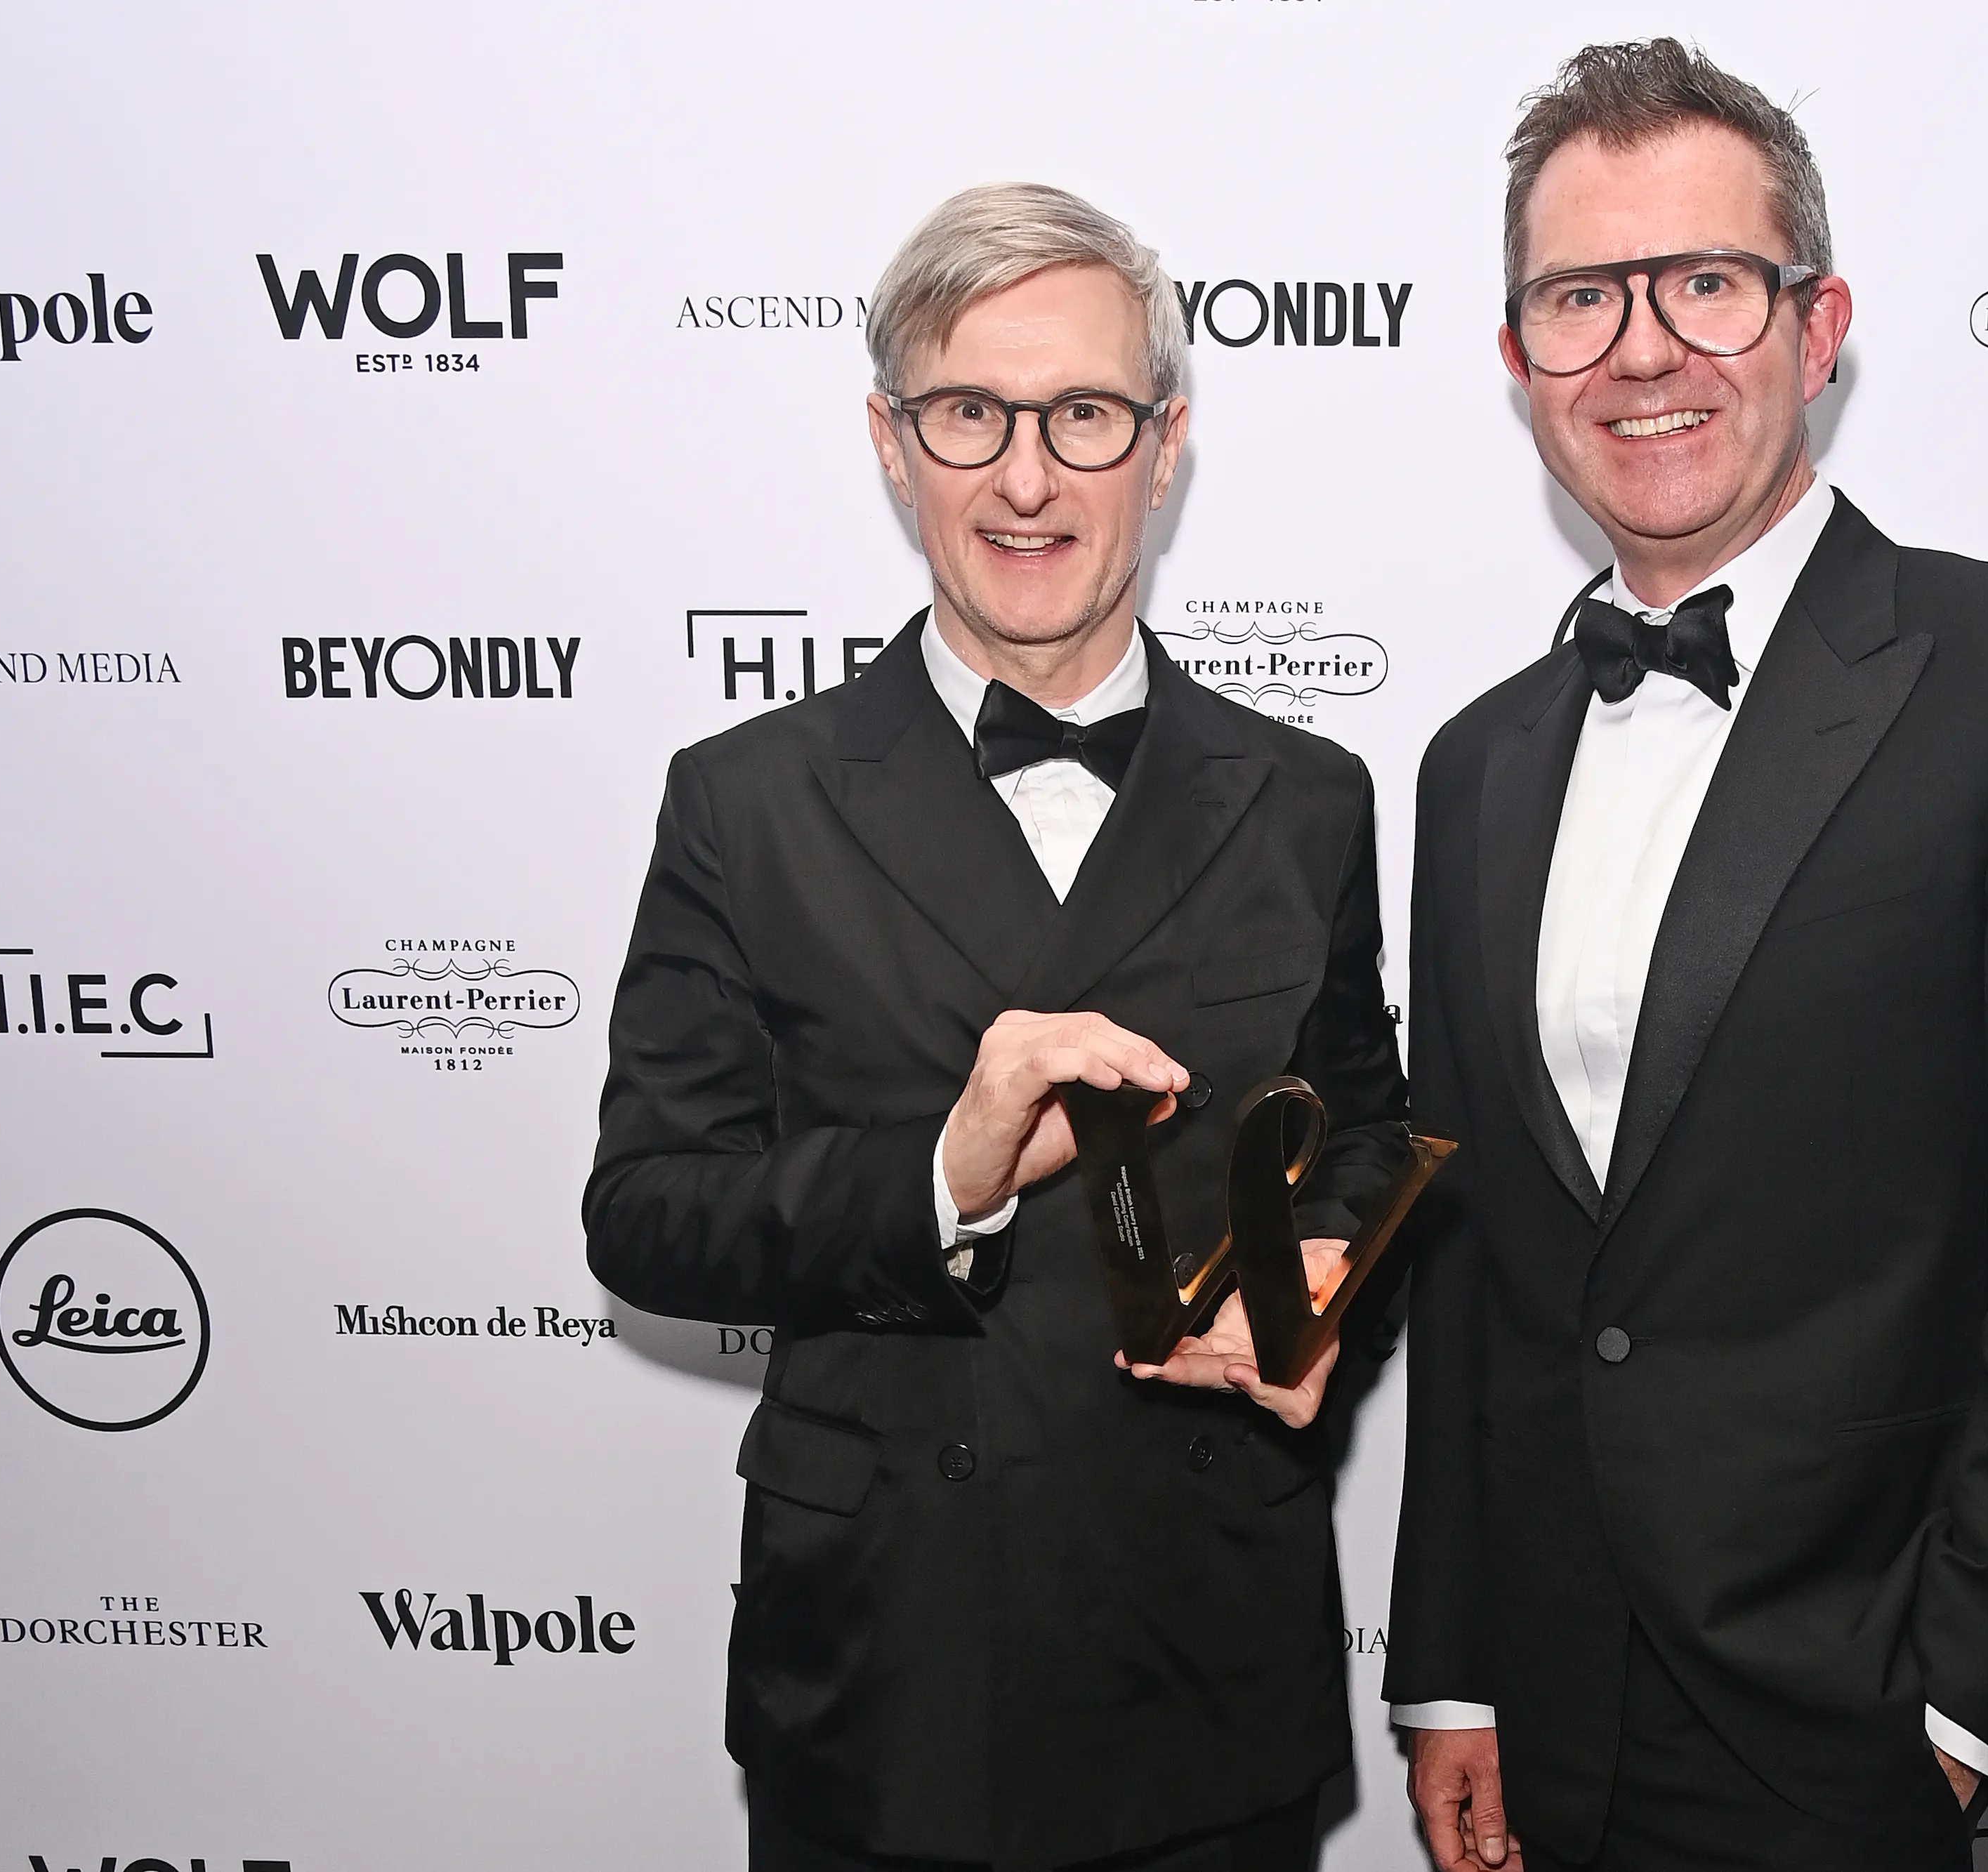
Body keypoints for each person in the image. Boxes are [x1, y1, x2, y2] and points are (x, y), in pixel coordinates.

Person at [1386, 41, 1988, 1872]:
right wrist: (1449, 1665)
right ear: (1518, 360)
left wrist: (1963, 1710)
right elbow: (1482, 1276)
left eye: (1708, 283)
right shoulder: (1474, 765)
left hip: (1851, 1727)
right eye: (1581, 298)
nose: (1646, 348)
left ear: (1818, 324)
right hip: (1549, 1703)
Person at [584, 183, 1409, 1872]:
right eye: (969, 414)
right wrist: (940, 1175)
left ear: (1162, 446)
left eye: (1083, 416)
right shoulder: (744, 803)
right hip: (882, 1672)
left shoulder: (1308, 801)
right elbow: (648, 1210)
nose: (1024, 478)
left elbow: (1360, 1142)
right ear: (893, 446)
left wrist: (1321, 1286)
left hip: (1203, 1652)